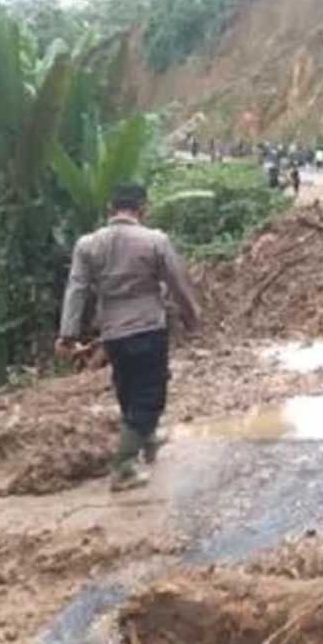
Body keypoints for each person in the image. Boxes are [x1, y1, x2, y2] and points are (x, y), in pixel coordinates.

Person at [55, 184, 201, 492]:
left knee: (128, 387)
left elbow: (76, 289)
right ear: (143, 208)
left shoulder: (88, 245)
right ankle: (123, 466)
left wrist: (68, 334)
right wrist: (191, 317)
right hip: (148, 327)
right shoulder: (155, 241)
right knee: (150, 395)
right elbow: (178, 283)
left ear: (111, 208)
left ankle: (147, 439)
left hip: (112, 332)